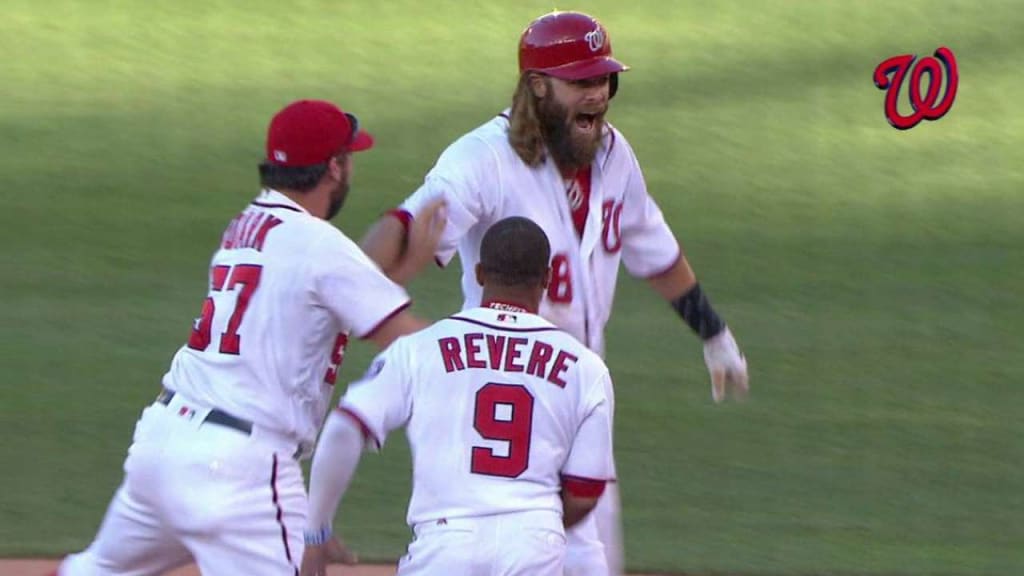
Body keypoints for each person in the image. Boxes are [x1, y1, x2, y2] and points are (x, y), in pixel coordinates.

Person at [358, 10, 750, 576]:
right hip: (506, 402)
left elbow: (655, 252)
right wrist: (363, 284)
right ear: (537, 87)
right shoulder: (483, 158)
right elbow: (408, 221)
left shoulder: (615, 158)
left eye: (604, 80)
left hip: (580, 403)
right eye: (582, 82)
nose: (598, 95)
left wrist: (713, 333)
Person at [57, 99, 446, 576]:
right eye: (348, 159)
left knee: (96, 569)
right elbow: (414, 345)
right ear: (333, 169)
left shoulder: (246, 225)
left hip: (163, 445)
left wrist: (403, 270)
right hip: (238, 472)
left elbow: (316, 313)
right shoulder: (320, 245)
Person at [301, 216, 615, 576]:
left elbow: (345, 427)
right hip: (533, 546)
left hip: (444, 546)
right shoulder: (585, 368)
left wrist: (316, 531)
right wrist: (524, 516)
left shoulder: (418, 349)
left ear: (480, 274)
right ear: (546, 278)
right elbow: (584, 494)